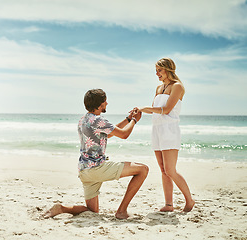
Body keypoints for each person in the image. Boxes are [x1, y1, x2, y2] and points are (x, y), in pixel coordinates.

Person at [44, 89, 148, 219]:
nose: (107, 103)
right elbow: (124, 134)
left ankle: (61, 208)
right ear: (100, 104)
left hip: (84, 171)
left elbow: (109, 133)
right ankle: (122, 211)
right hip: (97, 169)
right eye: (105, 101)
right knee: (143, 170)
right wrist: (135, 120)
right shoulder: (99, 120)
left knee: (91, 211)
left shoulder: (84, 120)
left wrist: (128, 119)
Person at [137, 57, 195, 212]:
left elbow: (167, 110)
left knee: (170, 170)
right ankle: (169, 205)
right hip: (156, 130)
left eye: (159, 70)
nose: (157, 73)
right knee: (163, 170)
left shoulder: (177, 86)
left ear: (168, 69)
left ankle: (189, 199)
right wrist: (140, 111)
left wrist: (145, 108)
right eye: (155, 71)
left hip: (170, 130)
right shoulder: (158, 88)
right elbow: (155, 110)